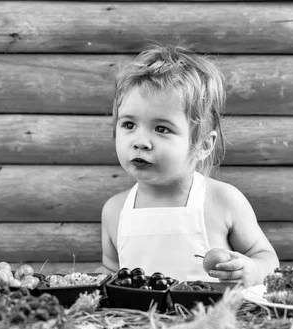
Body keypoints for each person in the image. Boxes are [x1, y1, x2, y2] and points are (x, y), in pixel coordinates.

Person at [100, 43, 278, 287]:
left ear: (204, 144)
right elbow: (111, 273)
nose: (140, 142)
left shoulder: (223, 201)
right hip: (140, 323)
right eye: (129, 125)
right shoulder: (114, 211)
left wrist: (252, 270)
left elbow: (267, 259)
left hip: (209, 322)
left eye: (161, 129)